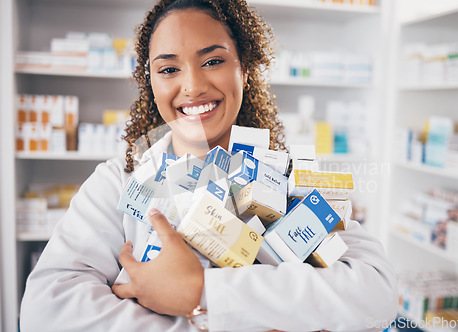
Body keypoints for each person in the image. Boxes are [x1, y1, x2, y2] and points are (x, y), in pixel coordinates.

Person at [20, 0, 398, 331]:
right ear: (150, 82)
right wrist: (222, 321)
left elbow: (375, 297)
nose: (193, 86)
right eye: (168, 69)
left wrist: (200, 293)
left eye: (213, 61)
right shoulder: (120, 179)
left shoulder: (289, 176)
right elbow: (45, 311)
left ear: (244, 71)